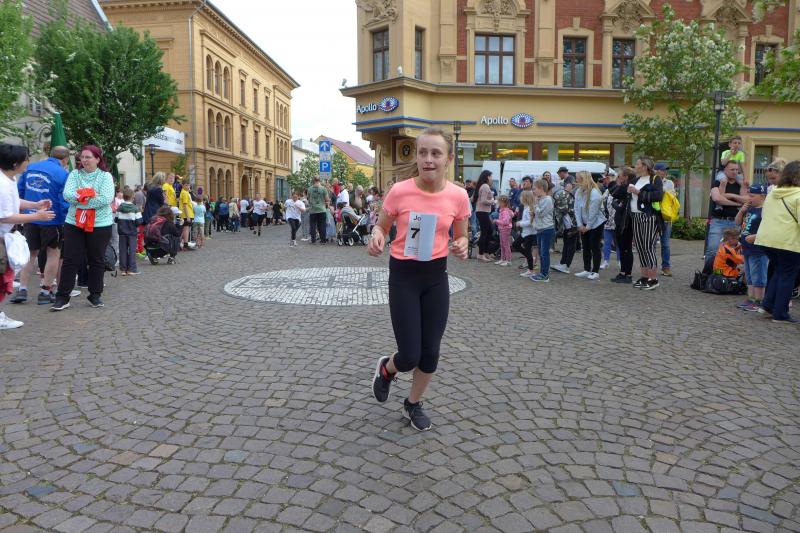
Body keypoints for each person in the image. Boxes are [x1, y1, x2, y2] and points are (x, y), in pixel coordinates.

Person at [368, 127, 469, 431]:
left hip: (436, 277)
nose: (428, 159)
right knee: (410, 354)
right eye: (422, 152)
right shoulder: (400, 191)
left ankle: (412, 403)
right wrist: (377, 236)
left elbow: (462, 235)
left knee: (430, 353)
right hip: (404, 277)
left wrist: (462, 245)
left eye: (436, 153)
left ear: (449, 159)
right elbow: (381, 227)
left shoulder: (458, 196)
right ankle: (387, 370)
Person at [52, 145, 116, 311]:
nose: (85, 160)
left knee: (96, 260)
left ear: (97, 159)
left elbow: (106, 198)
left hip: (100, 224)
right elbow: (67, 195)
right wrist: (90, 195)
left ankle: (95, 294)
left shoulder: (105, 176)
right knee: (70, 259)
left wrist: (80, 197)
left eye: (88, 157)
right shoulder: (75, 174)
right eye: (82, 157)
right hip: (74, 223)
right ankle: (63, 296)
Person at [0, 144, 56, 329]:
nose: (28, 162)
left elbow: (14, 202)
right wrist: (36, 216)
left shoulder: (9, 178)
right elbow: (5, 216)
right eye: (26, 159)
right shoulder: (2, 184)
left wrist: (35, 204)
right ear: (15, 163)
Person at [11, 146, 69, 305]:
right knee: (53, 254)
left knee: (30, 254)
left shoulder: (31, 167)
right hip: (52, 219)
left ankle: (22, 289)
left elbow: (20, 191)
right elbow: (64, 200)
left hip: (30, 217)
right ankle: (45, 292)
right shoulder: (63, 173)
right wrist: (65, 220)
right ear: (65, 160)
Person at [755, 160, 800, 324]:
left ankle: (767, 306)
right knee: (787, 275)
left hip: (766, 240)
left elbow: (764, 215)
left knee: (780, 272)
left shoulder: (773, 193)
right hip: (788, 242)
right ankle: (780, 314)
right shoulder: (798, 195)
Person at [629, 156, 664, 290]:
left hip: (649, 217)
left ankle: (653, 279)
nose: (635, 166)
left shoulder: (655, 179)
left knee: (648, 247)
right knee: (640, 247)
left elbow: (658, 196)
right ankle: (644, 277)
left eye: (637, 164)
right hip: (635, 216)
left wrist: (638, 192)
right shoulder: (635, 180)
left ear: (644, 166)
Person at [705, 160, 746, 270]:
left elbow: (746, 200)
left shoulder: (740, 184)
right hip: (718, 221)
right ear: (725, 170)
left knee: (733, 251)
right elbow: (717, 199)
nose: (735, 172)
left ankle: (728, 275)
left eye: (737, 170)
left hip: (735, 221)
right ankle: (707, 275)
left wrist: (729, 195)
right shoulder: (717, 182)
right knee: (712, 250)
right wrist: (736, 203)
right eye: (732, 169)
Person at [735, 184, 769, 311]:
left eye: (752, 196)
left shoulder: (765, 211)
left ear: (762, 196)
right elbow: (737, 222)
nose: (749, 198)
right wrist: (741, 211)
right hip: (747, 248)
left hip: (758, 250)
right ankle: (751, 299)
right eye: (749, 195)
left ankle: (759, 301)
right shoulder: (749, 209)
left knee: (758, 276)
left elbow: (768, 229)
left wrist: (755, 236)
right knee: (749, 276)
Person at [573, 170, 606, 280]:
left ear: (583, 179)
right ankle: (587, 269)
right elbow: (576, 209)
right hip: (584, 224)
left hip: (596, 224)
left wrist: (587, 227)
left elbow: (593, 213)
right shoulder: (579, 191)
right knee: (585, 246)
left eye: (577, 178)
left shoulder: (594, 193)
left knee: (594, 247)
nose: (576, 180)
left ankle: (595, 271)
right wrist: (580, 224)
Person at [610, 167, 636, 283]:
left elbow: (615, 194)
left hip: (626, 222)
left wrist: (618, 183)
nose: (618, 177)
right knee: (622, 248)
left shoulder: (628, 187)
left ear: (626, 177)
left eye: (619, 175)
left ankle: (628, 274)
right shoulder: (625, 187)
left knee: (626, 248)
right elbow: (614, 195)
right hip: (621, 221)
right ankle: (623, 272)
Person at [551, 176, 578, 274]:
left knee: (568, 244)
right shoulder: (563, 193)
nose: (574, 186)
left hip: (568, 224)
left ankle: (564, 264)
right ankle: (565, 264)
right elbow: (565, 210)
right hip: (570, 224)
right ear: (568, 184)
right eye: (572, 184)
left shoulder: (563, 193)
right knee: (569, 244)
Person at [530, 179, 555, 282]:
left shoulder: (548, 200)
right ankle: (542, 273)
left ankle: (545, 275)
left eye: (534, 189)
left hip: (546, 229)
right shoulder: (540, 199)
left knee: (544, 253)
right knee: (541, 253)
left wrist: (535, 205)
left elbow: (541, 214)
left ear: (541, 189)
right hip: (540, 229)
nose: (533, 191)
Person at [115, 188, 143, 275]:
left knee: (122, 251)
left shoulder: (120, 207)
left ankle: (123, 269)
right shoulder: (135, 208)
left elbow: (116, 219)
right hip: (132, 233)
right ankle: (131, 269)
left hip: (122, 233)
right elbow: (139, 221)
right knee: (131, 251)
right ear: (133, 197)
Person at [655, 163, 674, 276]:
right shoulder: (651, 181)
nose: (665, 172)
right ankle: (651, 266)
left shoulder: (669, 183)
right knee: (651, 244)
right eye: (663, 170)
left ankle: (666, 267)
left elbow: (669, 197)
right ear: (656, 171)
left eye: (666, 170)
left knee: (665, 244)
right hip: (653, 217)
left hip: (666, 217)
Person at [474, 170, 494, 262]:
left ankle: (485, 252)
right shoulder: (485, 186)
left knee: (489, 231)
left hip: (482, 211)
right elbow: (483, 201)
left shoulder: (481, 186)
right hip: (482, 211)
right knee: (485, 232)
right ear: (487, 177)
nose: (492, 178)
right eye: (491, 176)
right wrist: (492, 201)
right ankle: (481, 254)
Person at [517, 189, 538, 277]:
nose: (520, 198)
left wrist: (520, 223)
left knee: (527, 249)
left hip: (530, 233)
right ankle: (529, 258)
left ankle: (531, 270)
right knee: (516, 244)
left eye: (521, 197)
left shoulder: (529, 208)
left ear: (525, 198)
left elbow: (530, 222)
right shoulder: (526, 207)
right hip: (526, 233)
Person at [601, 176, 618, 271]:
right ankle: (606, 261)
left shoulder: (620, 191)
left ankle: (619, 261)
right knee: (607, 243)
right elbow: (601, 204)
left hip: (617, 222)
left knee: (618, 243)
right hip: (608, 222)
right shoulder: (607, 192)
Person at [493, 195, 513, 266]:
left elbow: (505, 222)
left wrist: (496, 221)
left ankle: (508, 260)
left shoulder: (505, 211)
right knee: (502, 244)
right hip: (502, 229)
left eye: (499, 202)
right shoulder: (503, 211)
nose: (498, 203)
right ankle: (503, 259)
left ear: (503, 203)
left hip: (505, 229)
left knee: (506, 245)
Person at [308, 176, 328, 244]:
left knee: (313, 225)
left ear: (313, 180)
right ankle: (323, 240)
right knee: (322, 225)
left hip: (313, 210)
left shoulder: (310, 189)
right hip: (322, 209)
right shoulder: (323, 189)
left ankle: (313, 240)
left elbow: (308, 198)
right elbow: (327, 199)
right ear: (319, 180)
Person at [178, 178, 194, 248]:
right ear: (182, 185)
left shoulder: (185, 192)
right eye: (186, 185)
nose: (188, 187)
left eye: (189, 185)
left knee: (185, 228)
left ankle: (181, 242)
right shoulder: (184, 193)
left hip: (187, 213)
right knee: (186, 228)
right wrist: (187, 216)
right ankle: (185, 243)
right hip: (186, 214)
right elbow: (185, 205)